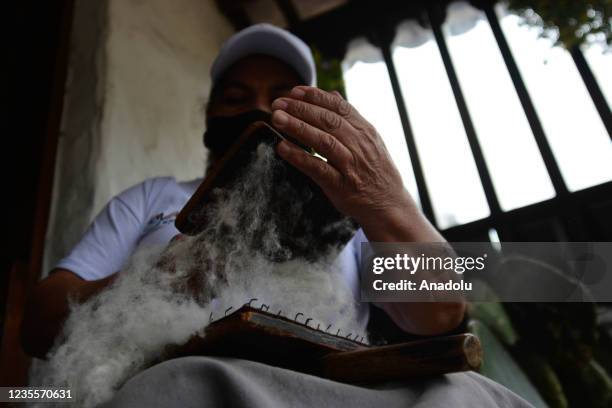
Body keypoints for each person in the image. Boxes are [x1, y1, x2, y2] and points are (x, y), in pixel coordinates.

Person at [18, 24, 531, 408]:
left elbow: (440, 313)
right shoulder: (154, 197)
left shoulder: (348, 216)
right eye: (237, 98)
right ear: (209, 117)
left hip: (333, 391)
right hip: (185, 383)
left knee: (474, 397)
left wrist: (388, 202)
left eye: (281, 98)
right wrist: (152, 280)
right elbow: (40, 325)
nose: (257, 109)